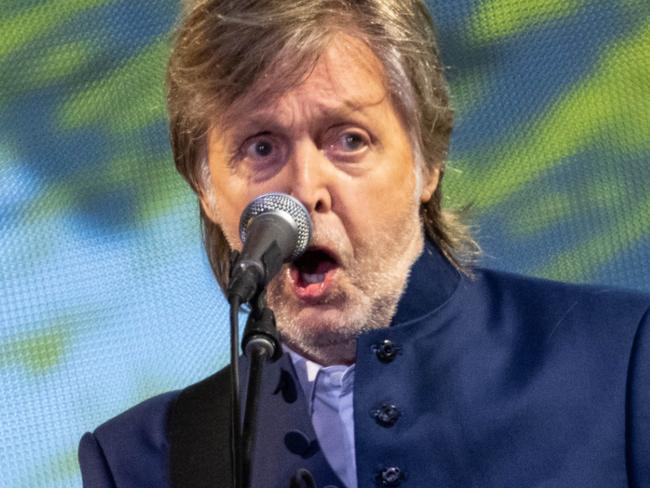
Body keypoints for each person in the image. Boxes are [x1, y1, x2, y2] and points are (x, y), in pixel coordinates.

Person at [78, 1, 650, 487]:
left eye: (349, 139)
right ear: (205, 187)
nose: (304, 189)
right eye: (260, 148)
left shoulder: (623, 361)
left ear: (428, 162)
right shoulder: (140, 460)